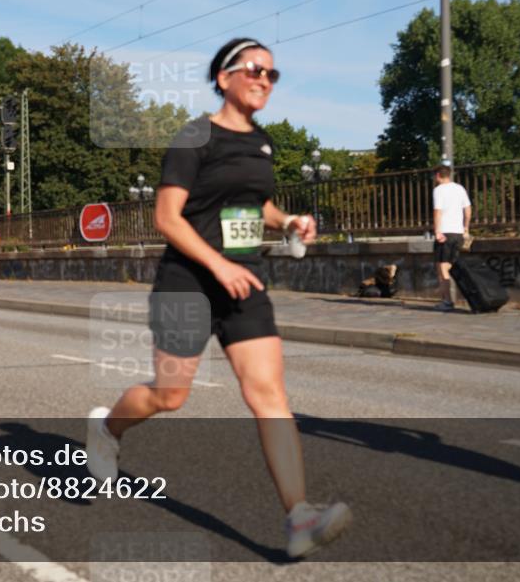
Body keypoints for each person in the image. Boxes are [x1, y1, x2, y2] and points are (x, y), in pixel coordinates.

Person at [85, 38, 350, 559]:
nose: (265, 80)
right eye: (255, 70)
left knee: (269, 394)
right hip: (188, 280)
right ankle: (106, 427)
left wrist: (288, 220)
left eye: (273, 74)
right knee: (170, 395)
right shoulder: (195, 135)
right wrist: (217, 263)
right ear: (224, 76)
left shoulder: (263, 142)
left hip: (244, 283)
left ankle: (299, 517)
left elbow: (256, 204)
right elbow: (166, 218)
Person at [432, 165, 472, 311]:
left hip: (445, 233)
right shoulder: (460, 188)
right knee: (449, 265)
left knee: (442, 267)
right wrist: (466, 227)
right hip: (458, 233)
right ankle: (446, 296)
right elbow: (467, 210)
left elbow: (438, 212)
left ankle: (448, 301)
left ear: (437, 175)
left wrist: (437, 231)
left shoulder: (439, 190)